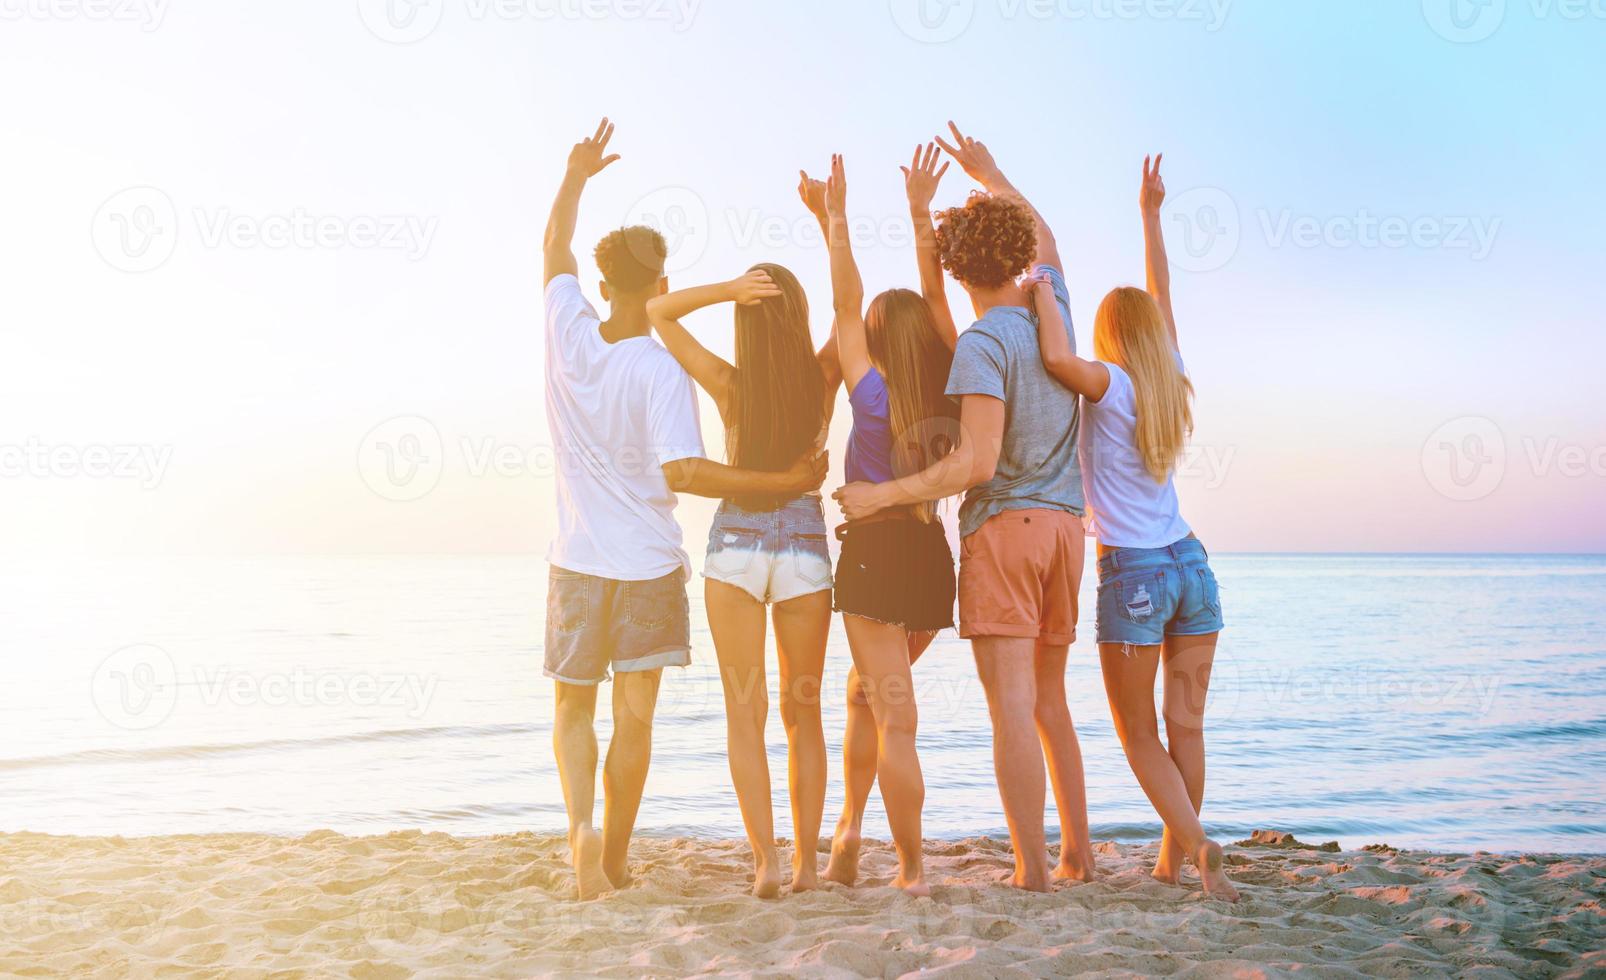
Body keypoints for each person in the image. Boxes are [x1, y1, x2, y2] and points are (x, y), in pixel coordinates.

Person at [542, 119, 826, 900]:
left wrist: (575, 178)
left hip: (575, 558)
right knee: (634, 718)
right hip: (647, 566)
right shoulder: (660, 372)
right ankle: (619, 857)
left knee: (573, 709)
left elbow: (553, 249)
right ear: (661, 285)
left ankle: (579, 827)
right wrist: (783, 482)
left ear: (603, 286)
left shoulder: (565, 329)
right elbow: (687, 471)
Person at [834, 123, 1096, 892]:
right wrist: (993, 171)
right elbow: (1043, 237)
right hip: (1066, 533)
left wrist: (881, 493)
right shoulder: (1058, 309)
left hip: (1006, 532)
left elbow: (976, 461)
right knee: (1052, 702)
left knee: (1013, 708)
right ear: (1019, 253)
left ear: (958, 268)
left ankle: (1032, 872)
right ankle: (1077, 852)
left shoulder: (979, 344)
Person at [1026, 154, 1240, 901]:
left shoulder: (1108, 380)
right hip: (1192, 564)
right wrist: (1150, 215)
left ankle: (1197, 846)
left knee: (1139, 733)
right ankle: (1174, 861)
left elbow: (1054, 354)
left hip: (1138, 574)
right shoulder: (1168, 373)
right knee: (1187, 727)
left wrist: (1040, 290)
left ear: (1110, 337)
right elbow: (1163, 290)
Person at [795, 150, 959, 896]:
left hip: (874, 555)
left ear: (876, 336)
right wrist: (920, 214)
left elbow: (842, 300)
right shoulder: (953, 392)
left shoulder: (870, 391)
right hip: (930, 559)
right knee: (866, 692)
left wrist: (836, 220)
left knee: (896, 715)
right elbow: (933, 292)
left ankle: (912, 870)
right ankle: (850, 832)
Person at [645, 257, 833, 899]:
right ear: (799, 316)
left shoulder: (728, 381)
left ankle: (767, 865)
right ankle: (807, 863)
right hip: (805, 543)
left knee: (744, 712)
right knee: (803, 712)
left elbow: (657, 312)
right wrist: (830, 225)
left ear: (743, 323)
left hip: (737, 546)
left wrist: (729, 289)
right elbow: (852, 310)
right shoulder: (822, 377)